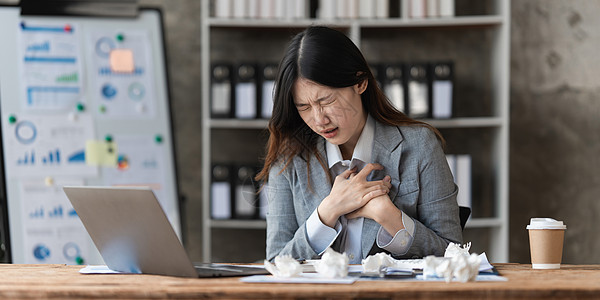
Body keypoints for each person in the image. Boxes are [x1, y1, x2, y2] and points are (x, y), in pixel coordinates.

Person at [256, 26, 462, 263]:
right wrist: (328, 212)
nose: (319, 120)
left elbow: (453, 254)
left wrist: (388, 216)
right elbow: (276, 262)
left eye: (327, 100)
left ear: (360, 83)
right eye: (304, 107)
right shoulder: (289, 157)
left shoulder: (419, 146)